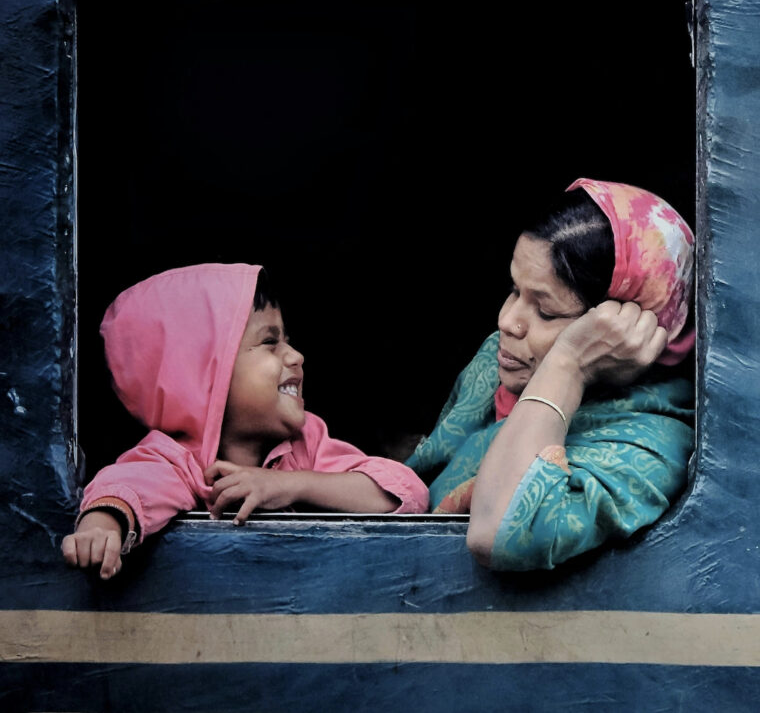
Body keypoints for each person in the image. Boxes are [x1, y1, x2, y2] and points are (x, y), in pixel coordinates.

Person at [62, 263, 429, 579]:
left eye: (288, 339)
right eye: (270, 342)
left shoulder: (306, 441)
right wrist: (101, 528)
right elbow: (124, 490)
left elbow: (405, 492)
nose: (296, 356)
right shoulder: (177, 461)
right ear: (205, 374)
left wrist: (289, 485)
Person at [406, 178, 695, 571]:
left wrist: (568, 364)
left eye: (546, 311)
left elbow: (498, 532)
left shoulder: (652, 447)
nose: (507, 321)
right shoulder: (503, 359)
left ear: (627, 323)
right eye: (513, 290)